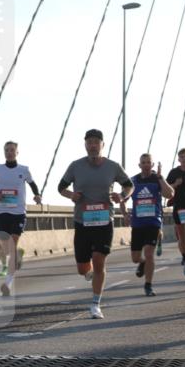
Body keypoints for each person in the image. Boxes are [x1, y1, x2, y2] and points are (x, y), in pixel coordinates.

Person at [58, 129, 134, 319]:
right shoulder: (75, 166)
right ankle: (89, 273)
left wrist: (122, 196)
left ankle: (95, 304)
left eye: (96, 142)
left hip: (104, 221)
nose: (93, 145)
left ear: (102, 145)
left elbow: (129, 185)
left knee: (99, 261)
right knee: (82, 268)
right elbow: (61, 187)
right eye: (89, 142)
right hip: (82, 222)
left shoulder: (113, 166)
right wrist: (71, 195)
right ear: (85, 145)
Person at [0, 141, 42, 296]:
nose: (9, 152)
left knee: (13, 243)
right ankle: (18, 254)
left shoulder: (24, 170)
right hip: (1, 212)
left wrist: (37, 195)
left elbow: (33, 185)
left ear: (17, 152)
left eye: (12, 150)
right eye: (6, 150)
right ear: (4, 152)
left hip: (18, 213)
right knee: (5, 249)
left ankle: (8, 284)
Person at [123, 154, 174, 297]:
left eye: (148, 163)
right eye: (143, 162)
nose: (146, 165)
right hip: (138, 224)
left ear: (152, 165)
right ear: (139, 165)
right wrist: (125, 214)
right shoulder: (133, 181)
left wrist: (160, 177)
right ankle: (142, 263)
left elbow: (169, 194)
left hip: (153, 222)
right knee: (135, 258)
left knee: (149, 253)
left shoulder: (156, 179)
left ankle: (148, 285)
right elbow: (123, 199)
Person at [166, 148, 185, 278]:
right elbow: (166, 190)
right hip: (178, 207)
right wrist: (175, 184)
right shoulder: (174, 172)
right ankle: (184, 256)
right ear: (178, 159)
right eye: (181, 157)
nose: (184, 159)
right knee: (182, 237)